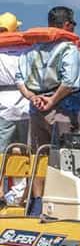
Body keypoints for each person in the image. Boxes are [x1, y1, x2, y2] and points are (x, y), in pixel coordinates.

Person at [15, 6, 80, 215]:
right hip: (64, 110)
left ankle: (37, 204)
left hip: (36, 109)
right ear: (67, 25)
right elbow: (70, 83)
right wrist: (51, 100)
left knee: (39, 155)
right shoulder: (69, 50)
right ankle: (65, 206)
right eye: (73, 24)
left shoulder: (32, 50)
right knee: (68, 156)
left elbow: (20, 78)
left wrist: (33, 98)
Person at [0, 13, 29, 204]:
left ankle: (1, 192)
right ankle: (19, 193)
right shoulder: (25, 52)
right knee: (22, 149)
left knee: (1, 150)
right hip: (25, 102)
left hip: (2, 103)